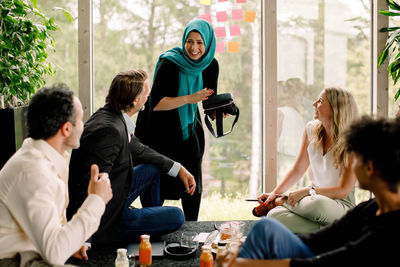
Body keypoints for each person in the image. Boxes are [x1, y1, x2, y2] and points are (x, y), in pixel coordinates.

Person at [217, 116, 400, 267]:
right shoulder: (369, 208)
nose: (351, 164)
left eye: (355, 159)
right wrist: (238, 248)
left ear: (369, 168)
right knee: (265, 227)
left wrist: (244, 263)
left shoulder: (388, 231)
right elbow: (320, 240)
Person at [67, 69, 195, 245]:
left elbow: (140, 150)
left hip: (117, 193)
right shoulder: (108, 131)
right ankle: (140, 227)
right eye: (146, 92)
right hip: (106, 219)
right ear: (135, 100)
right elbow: (88, 185)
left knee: (151, 169)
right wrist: (83, 240)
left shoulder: (111, 116)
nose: (149, 96)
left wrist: (178, 168)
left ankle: (149, 228)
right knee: (177, 216)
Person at [0, 85, 112, 266]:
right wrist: (97, 200)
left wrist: (71, 242)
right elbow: (54, 253)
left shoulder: (49, 157)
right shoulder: (33, 172)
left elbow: (52, 227)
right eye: (81, 120)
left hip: (33, 252)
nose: (84, 125)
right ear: (66, 129)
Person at [135, 18, 219, 221]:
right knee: (159, 181)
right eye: (189, 41)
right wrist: (190, 99)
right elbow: (156, 104)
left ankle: (192, 229)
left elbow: (208, 100)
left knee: (192, 181)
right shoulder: (169, 63)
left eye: (200, 42)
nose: (194, 47)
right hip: (159, 129)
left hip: (188, 127)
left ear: (207, 44)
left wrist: (218, 111)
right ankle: (153, 228)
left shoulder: (210, 64)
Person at [253, 87, 359, 233]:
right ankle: (335, 229)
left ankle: (282, 201)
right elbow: (298, 169)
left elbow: (342, 191)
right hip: (311, 201)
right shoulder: (311, 129)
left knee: (318, 206)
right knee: (273, 216)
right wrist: (274, 193)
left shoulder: (353, 140)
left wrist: (308, 191)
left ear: (336, 108)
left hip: (339, 204)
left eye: (320, 101)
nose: (314, 104)